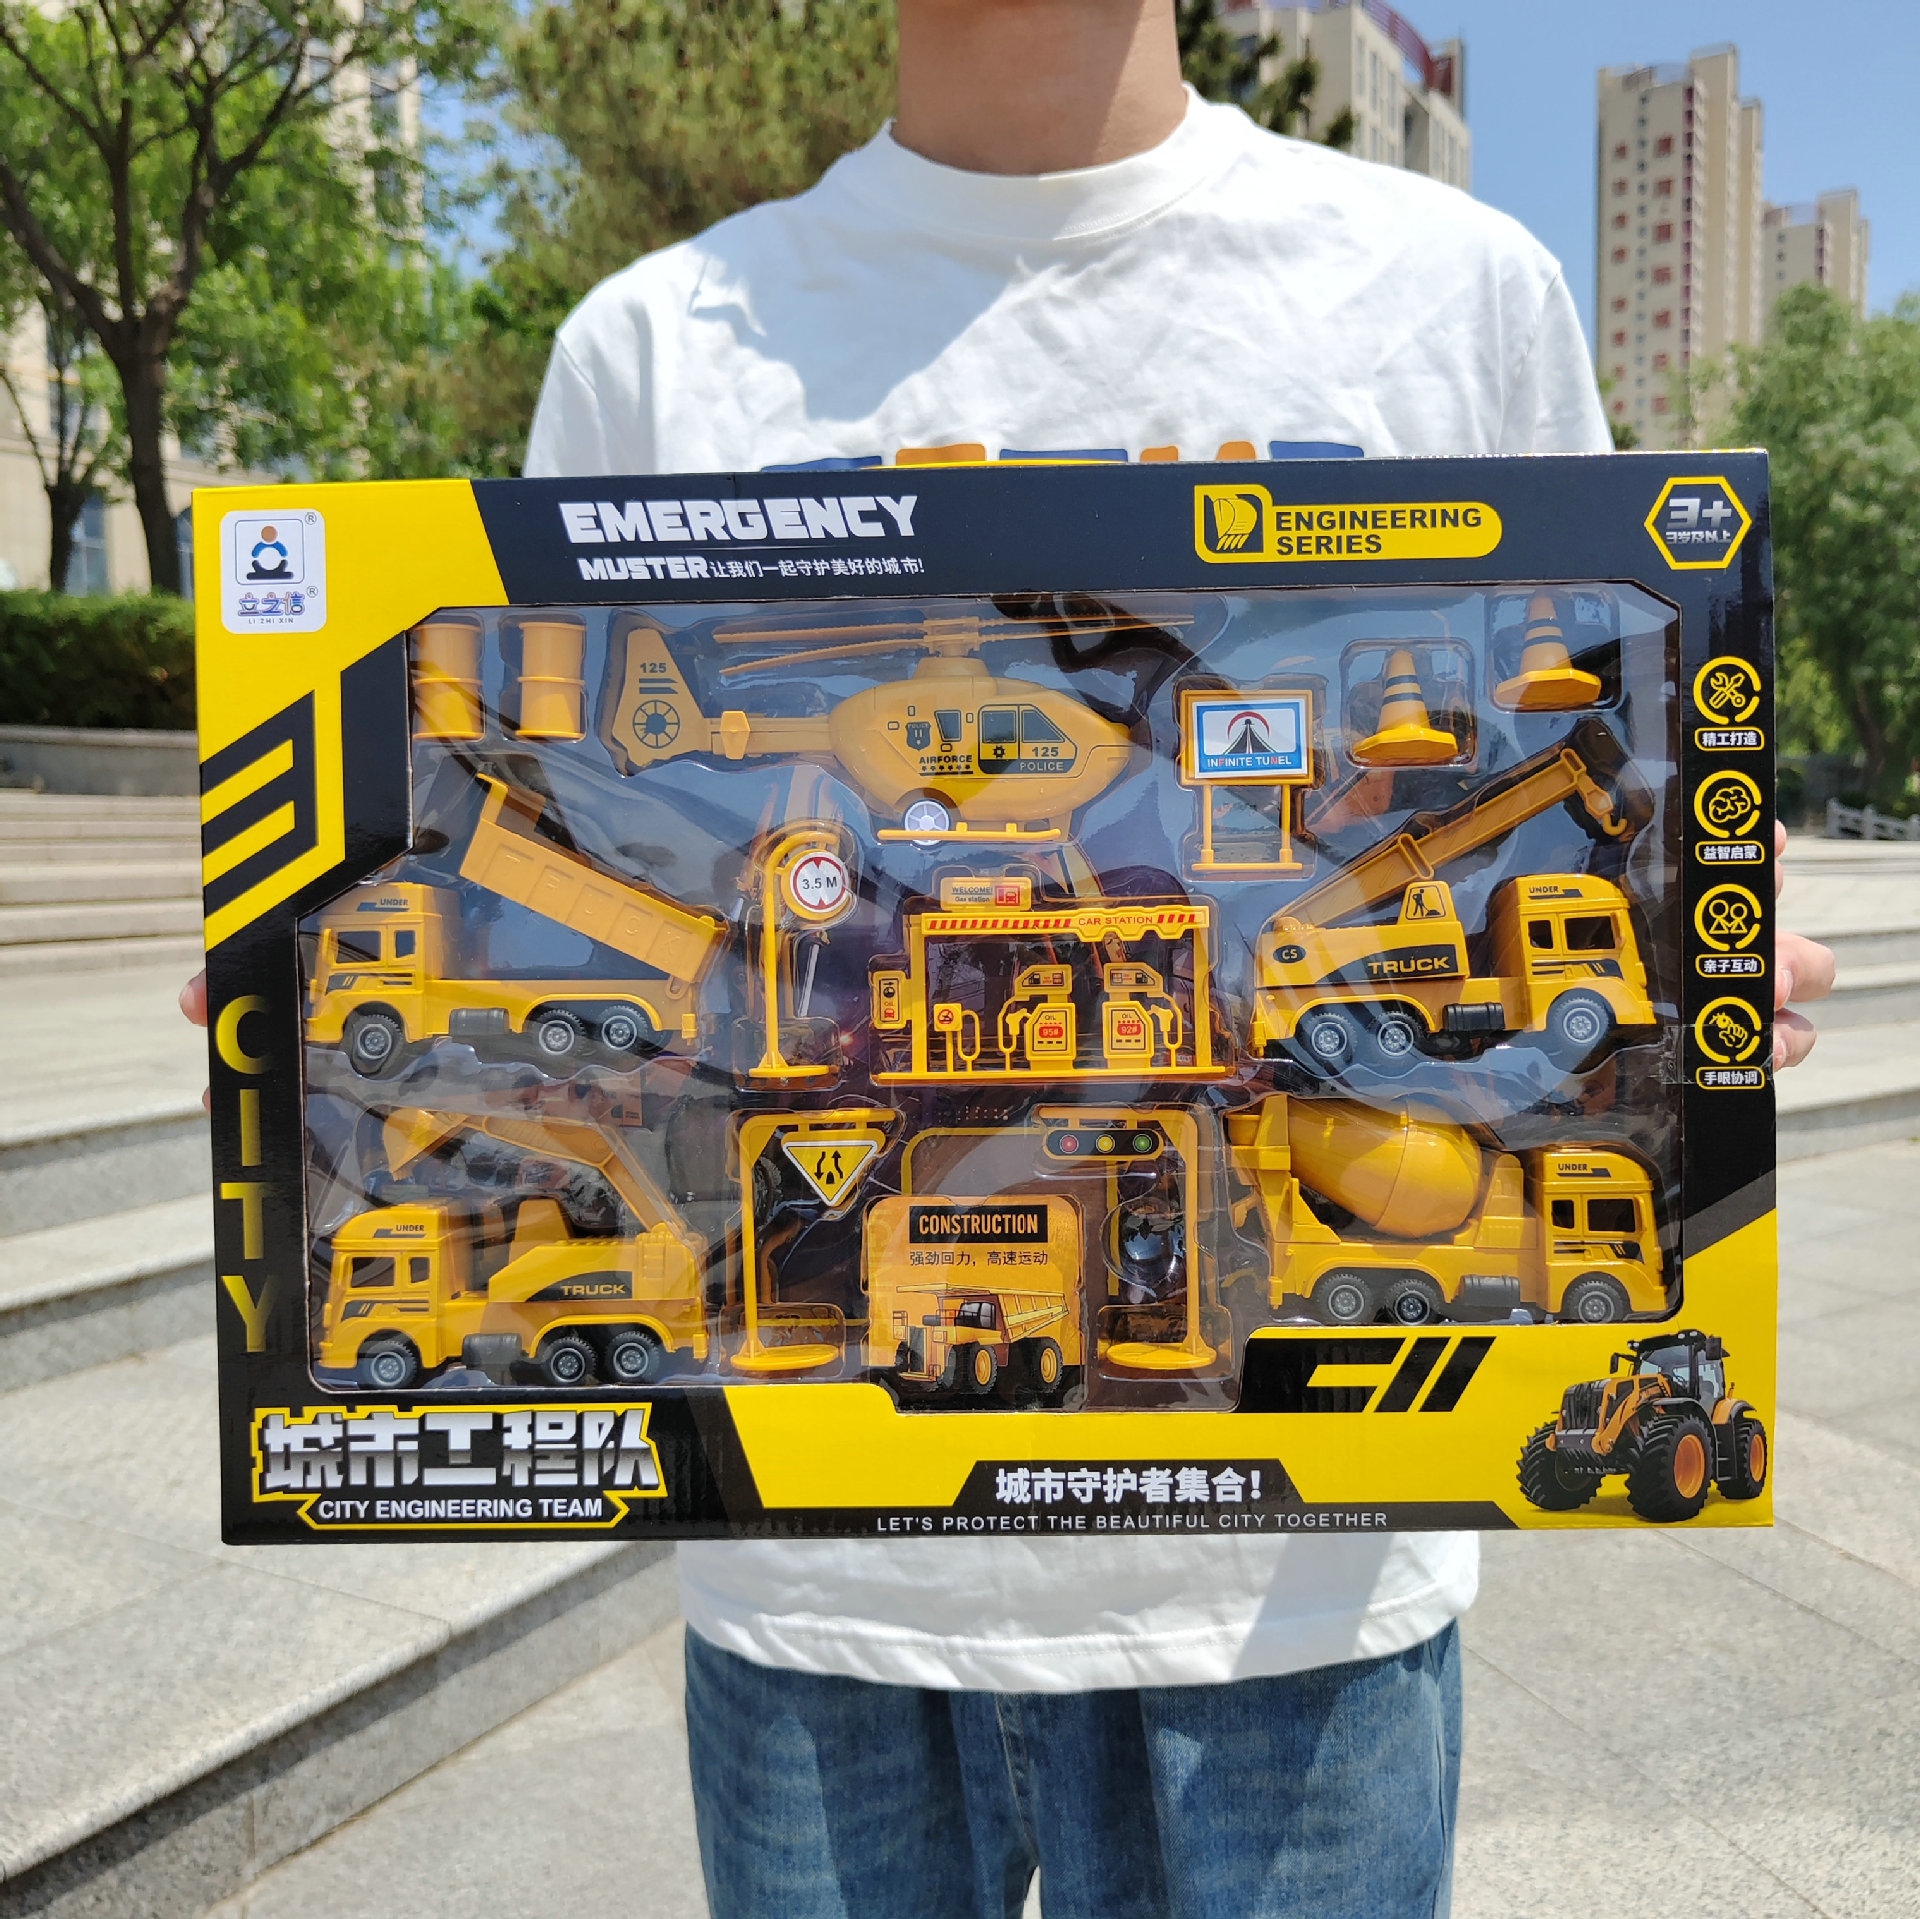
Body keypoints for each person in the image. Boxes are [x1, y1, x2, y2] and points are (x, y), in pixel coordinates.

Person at [185, 4, 1837, 1913]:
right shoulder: (653, 345)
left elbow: (1611, 738)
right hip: (822, 1590)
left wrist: (1692, 953)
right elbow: (543, 815)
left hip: (1298, 1598)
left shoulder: (1452, 292)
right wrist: (312, 979)